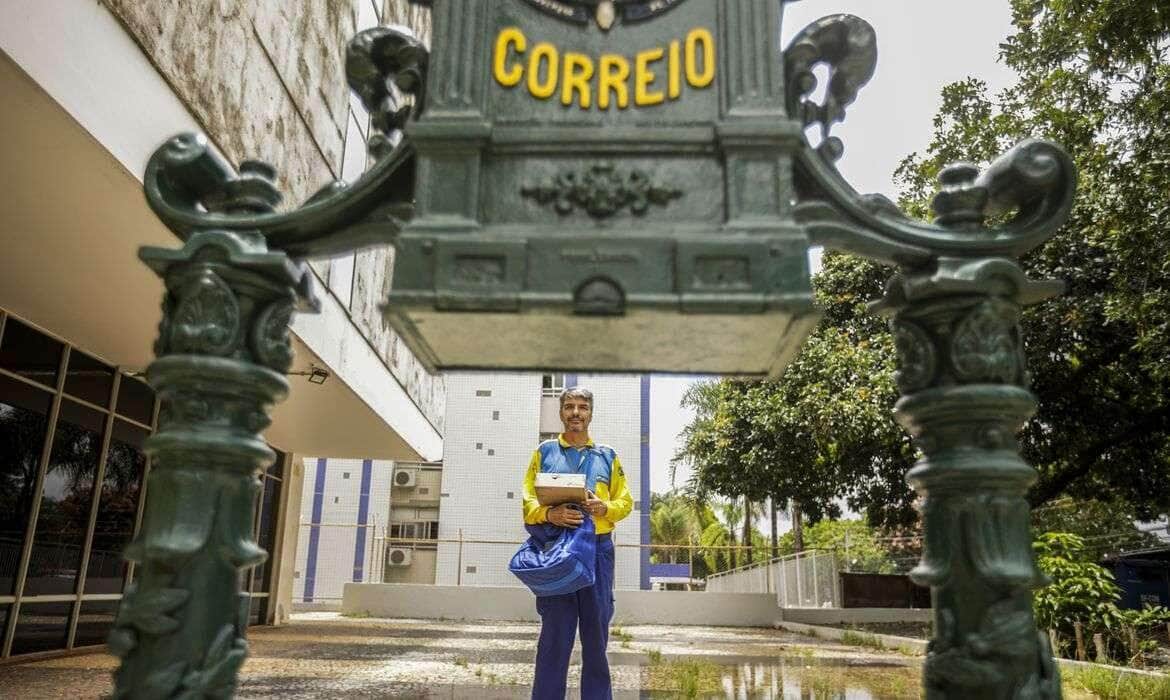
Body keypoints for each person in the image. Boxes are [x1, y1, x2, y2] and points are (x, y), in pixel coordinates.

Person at [522, 386, 633, 700]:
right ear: (560, 412)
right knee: (555, 636)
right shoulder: (544, 453)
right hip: (557, 550)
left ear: (590, 413)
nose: (575, 413)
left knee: (596, 637)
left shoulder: (607, 456)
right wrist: (549, 513)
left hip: (597, 551)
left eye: (582, 407)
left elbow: (625, 502)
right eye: (569, 406)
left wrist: (605, 508)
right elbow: (527, 499)